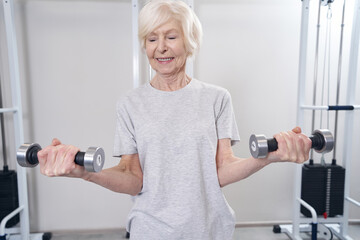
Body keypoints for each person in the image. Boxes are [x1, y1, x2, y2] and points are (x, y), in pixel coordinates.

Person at [37, 0, 312, 239]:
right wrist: (85, 173)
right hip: (151, 230)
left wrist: (269, 157)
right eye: (152, 38)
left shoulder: (217, 98)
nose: (161, 48)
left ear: (189, 40)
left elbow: (222, 169)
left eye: (171, 37)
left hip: (209, 228)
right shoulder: (130, 104)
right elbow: (133, 177)